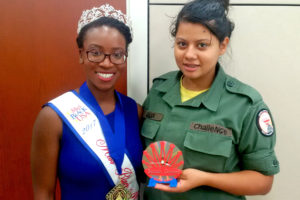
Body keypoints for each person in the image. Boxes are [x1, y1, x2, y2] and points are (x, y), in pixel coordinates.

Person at [141, 0, 279, 199]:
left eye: (202, 45)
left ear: (222, 45)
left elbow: (263, 181)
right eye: (182, 44)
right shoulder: (159, 90)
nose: (189, 54)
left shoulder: (245, 104)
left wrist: (205, 178)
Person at [31, 4, 143, 200]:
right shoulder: (54, 117)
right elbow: (43, 192)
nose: (107, 63)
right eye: (95, 52)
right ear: (81, 54)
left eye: (117, 54)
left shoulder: (136, 111)